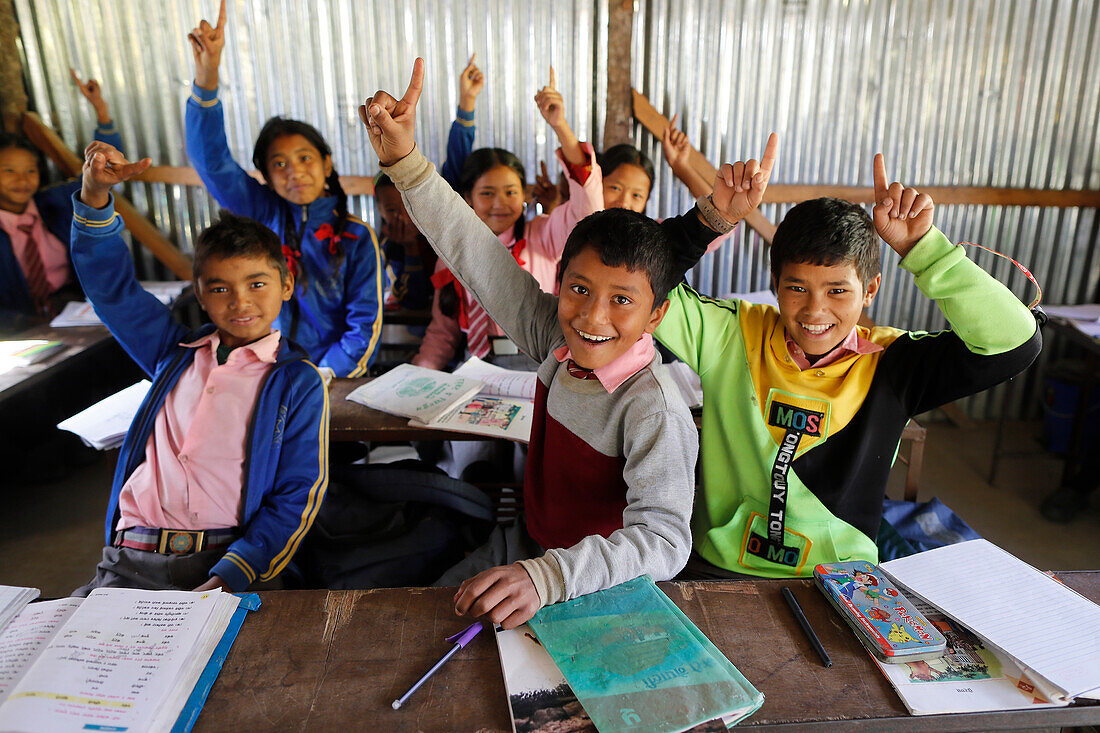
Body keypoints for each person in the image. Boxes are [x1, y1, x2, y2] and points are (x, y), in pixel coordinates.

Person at [359, 59, 760, 628]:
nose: (592, 316)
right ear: (558, 283)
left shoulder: (656, 408)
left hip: (598, 587)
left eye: (623, 299)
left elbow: (664, 542)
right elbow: (473, 250)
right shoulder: (556, 339)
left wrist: (549, 577)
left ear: (658, 315)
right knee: (424, 617)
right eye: (578, 288)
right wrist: (405, 162)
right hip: (529, 545)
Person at [656, 152, 1043, 579]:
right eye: (797, 287)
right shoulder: (730, 334)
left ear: (871, 289)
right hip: (719, 570)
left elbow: (1015, 343)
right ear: (775, 286)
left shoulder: (894, 365)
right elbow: (644, 285)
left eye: (838, 290)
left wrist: (924, 249)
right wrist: (711, 217)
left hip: (843, 583)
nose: (814, 310)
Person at [71, 141, 329, 595]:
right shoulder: (173, 354)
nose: (240, 301)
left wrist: (237, 570)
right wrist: (94, 196)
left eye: (257, 283)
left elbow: (299, 492)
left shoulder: (294, 380)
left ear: (286, 285)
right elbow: (112, 292)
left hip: (223, 562)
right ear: (200, 293)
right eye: (220, 288)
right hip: (130, 559)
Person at [185, 1, 383, 377]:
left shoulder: (357, 237)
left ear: (327, 163)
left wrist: (319, 377)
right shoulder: (260, 214)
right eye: (279, 164)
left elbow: (364, 327)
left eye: (305, 159)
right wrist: (207, 77)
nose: (294, 172)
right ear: (265, 174)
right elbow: (210, 160)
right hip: (260, 370)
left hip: (331, 378)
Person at [412, 65, 603, 371]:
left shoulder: (543, 235)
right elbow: (442, 334)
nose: (500, 204)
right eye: (487, 193)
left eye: (511, 192)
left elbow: (588, 213)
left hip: (539, 363)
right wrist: (419, 376)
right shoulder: (452, 251)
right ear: (467, 199)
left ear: (524, 196)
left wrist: (560, 127)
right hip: (474, 366)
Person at [0, 71, 123, 331]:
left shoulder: (54, 204)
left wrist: (101, 111)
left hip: (74, 317)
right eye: (9, 171)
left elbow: (101, 172)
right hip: (18, 332)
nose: (22, 180)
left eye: (30, 171)